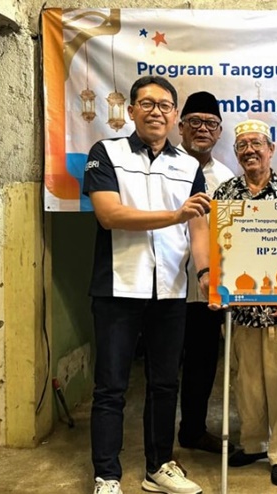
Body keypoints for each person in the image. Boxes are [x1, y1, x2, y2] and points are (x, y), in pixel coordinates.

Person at [83, 75, 208, 494]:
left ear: (175, 116)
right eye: (147, 104)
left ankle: (159, 467)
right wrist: (174, 215)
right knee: (111, 386)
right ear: (132, 110)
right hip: (118, 287)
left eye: (165, 105)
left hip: (169, 289)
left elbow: (199, 228)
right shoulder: (106, 153)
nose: (156, 111)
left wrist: (205, 274)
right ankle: (107, 475)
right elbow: (110, 215)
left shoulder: (189, 166)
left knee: (165, 384)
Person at [212, 119, 277, 487]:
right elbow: (218, 247)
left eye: (257, 144)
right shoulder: (226, 193)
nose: (250, 151)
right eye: (242, 146)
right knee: (247, 382)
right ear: (236, 153)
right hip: (241, 309)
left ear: (271, 150)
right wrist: (218, 289)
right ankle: (253, 444)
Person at [175, 91, 236, 455]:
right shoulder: (164, 166)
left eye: (210, 124)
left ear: (219, 132)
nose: (202, 129)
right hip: (165, 284)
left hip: (206, 288)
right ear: (180, 127)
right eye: (195, 122)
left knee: (202, 363)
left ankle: (193, 431)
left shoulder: (225, 177)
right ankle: (157, 445)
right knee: (164, 367)